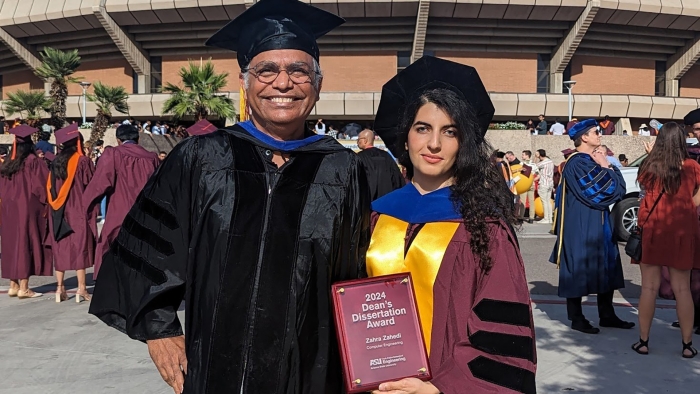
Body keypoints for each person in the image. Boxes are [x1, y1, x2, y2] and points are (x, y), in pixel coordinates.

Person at [88, 1, 370, 393]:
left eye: (298, 70)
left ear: (318, 84)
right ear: (245, 82)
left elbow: (357, 273)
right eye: (266, 70)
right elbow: (148, 248)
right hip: (215, 367)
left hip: (310, 372)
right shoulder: (201, 158)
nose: (283, 83)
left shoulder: (343, 169)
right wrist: (159, 327)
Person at [370, 56, 536, 394]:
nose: (434, 144)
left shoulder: (484, 227)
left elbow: (505, 342)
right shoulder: (375, 216)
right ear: (405, 138)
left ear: (463, 145)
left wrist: (440, 387)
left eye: (450, 132)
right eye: (422, 129)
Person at [550, 119, 634, 334]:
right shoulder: (578, 162)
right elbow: (605, 194)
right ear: (584, 137)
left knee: (607, 265)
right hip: (581, 224)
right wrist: (606, 166)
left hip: (598, 223)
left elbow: (619, 190)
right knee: (578, 269)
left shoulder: (591, 159)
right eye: (595, 132)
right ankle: (576, 318)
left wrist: (605, 166)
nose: (599, 135)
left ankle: (607, 315)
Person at [630, 122, 699, 358]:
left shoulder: (650, 166)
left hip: (653, 231)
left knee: (649, 287)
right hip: (681, 231)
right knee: (683, 289)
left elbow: (644, 187)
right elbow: (696, 200)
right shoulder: (692, 167)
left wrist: (651, 156)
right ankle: (687, 345)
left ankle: (644, 341)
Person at [82, 124, 160, 279]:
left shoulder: (113, 154)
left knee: (112, 251)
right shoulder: (152, 158)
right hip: (145, 216)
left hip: (120, 214)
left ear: (118, 140)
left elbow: (100, 184)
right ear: (137, 139)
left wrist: (86, 206)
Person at [47, 124, 98, 303]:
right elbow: (91, 184)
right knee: (80, 247)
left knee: (60, 246)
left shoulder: (55, 162)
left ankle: (60, 288)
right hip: (77, 209)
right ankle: (81, 289)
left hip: (58, 210)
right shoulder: (82, 161)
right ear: (77, 142)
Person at [0, 125, 52, 299]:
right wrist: (48, 202)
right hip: (27, 209)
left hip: (8, 209)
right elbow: (41, 186)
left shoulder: (7, 162)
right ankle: (24, 287)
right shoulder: (33, 161)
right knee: (25, 243)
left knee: (11, 244)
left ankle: (13, 285)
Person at [356, 128, 404, 200]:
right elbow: (397, 180)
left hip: (367, 203)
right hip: (386, 202)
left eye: (359, 139)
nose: (357, 142)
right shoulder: (386, 156)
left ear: (365, 140)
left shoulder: (358, 158)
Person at [518, 150, 538, 223]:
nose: (522, 156)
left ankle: (521, 217)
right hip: (531, 184)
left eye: (523, 155)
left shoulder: (521, 164)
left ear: (527, 156)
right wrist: (533, 179)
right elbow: (538, 175)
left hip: (524, 184)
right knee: (531, 201)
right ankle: (531, 218)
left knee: (523, 201)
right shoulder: (534, 164)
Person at [535, 149, 554, 224]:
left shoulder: (542, 163)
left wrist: (536, 158)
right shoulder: (550, 162)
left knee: (544, 202)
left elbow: (534, 166)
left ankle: (546, 218)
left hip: (544, 183)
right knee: (548, 201)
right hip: (550, 183)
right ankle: (549, 218)